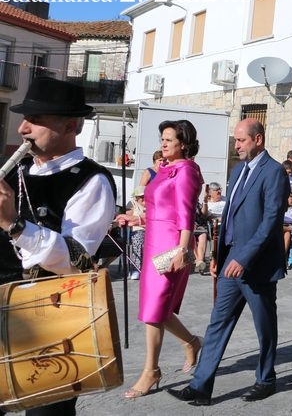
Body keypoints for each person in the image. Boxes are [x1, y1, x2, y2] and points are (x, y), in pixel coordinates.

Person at [0, 77, 116, 416]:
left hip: (51, 320)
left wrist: (14, 224)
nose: (23, 128)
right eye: (24, 119)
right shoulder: (17, 170)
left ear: (70, 125)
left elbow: (76, 260)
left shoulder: (90, 180)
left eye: (36, 120)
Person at [167, 119, 289, 406]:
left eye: (241, 141)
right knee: (217, 324)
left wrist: (244, 258)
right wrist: (218, 258)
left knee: (264, 325)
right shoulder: (236, 171)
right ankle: (200, 386)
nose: (236, 146)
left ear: (258, 140)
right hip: (229, 263)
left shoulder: (274, 173)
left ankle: (266, 378)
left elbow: (271, 221)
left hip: (256, 266)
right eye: (235, 141)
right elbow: (230, 216)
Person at [117, 119, 204, 400]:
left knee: (154, 308)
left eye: (168, 139)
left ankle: (150, 370)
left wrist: (181, 250)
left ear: (183, 144)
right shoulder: (164, 169)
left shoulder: (187, 171)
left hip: (171, 244)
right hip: (155, 239)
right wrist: (136, 218)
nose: (163, 144)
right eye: (162, 139)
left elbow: (186, 213)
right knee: (156, 307)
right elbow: (158, 207)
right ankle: (192, 343)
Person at [126, 186, 147, 280]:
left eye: (144, 196)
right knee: (139, 238)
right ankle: (136, 269)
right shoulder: (132, 204)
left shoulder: (152, 203)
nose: (143, 198)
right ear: (136, 197)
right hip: (137, 229)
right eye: (141, 196)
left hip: (151, 229)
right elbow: (127, 219)